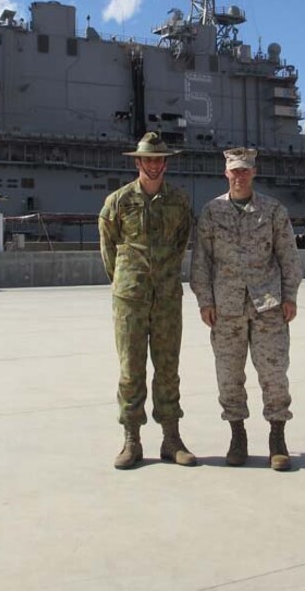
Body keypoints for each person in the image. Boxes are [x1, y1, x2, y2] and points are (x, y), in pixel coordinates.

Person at [190, 147, 303, 471]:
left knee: (274, 374)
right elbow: (201, 261)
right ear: (226, 173)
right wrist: (205, 301)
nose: (239, 176)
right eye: (234, 170)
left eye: (244, 170)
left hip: (268, 305)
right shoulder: (212, 212)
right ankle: (237, 436)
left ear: (253, 172)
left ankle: (277, 438)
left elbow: (289, 258)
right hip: (226, 308)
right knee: (228, 376)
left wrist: (290, 296)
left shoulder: (273, 211)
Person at [99, 132, 195, 469]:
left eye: (159, 159)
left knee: (168, 370)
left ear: (165, 162)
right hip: (130, 300)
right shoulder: (118, 202)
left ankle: (171, 438)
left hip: (168, 297)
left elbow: (182, 243)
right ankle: (131, 440)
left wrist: (163, 274)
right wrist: (128, 280)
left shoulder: (180, 202)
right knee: (130, 371)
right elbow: (108, 248)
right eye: (147, 159)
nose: (153, 165)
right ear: (137, 162)